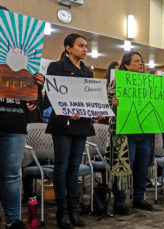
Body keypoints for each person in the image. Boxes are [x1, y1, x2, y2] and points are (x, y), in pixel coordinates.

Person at [45, 33, 102, 229]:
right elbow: (52, 96)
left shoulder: (88, 72)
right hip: (62, 124)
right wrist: (69, 109)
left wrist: (99, 108)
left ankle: (73, 210)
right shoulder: (57, 67)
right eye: (80, 45)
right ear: (68, 48)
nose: (85, 49)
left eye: (86, 46)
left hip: (81, 125)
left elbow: (90, 100)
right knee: (62, 167)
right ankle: (62, 212)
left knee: (74, 169)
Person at [0, 5, 45, 229]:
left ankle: (13, 221)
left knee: (11, 175)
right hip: (12, 123)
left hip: (15, 122)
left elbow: (35, 105)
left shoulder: (23, 58)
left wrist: (36, 87)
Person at [106, 51, 154, 215]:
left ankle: (139, 199)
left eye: (141, 61)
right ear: (126, 65)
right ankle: (119, 202)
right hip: (125, 134)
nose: (141, 64)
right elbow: (106, 104)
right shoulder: (117, 82)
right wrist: (113, 103)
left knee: (142, 167)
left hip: (144, 133)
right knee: (123, 168)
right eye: (136, 61)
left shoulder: (148, 82)